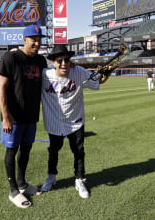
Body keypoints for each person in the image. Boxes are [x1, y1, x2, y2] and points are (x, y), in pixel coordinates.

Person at [40, 44, 109, 199]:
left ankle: (79, 179)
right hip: (54, 122)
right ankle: (51, 177)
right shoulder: (44, 75)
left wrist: (105, 75)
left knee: (78, 152)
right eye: (60, 60)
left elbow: (96, 84)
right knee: (53, 151)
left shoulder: (79, 72)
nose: (64, 63)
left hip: (75, 121)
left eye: (66, 60)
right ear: (53, 62)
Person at [0, 25, 47, 208]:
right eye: (33, 38)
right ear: (24, 39)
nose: (37, 42)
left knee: (26, 150)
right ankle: (13, 191)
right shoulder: (11, 58)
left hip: (31, 116)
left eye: (39, 38)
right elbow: (1, 88)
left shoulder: (41, 61)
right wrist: (6, 117)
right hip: (14, 117)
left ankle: (22, 183)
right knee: (12, 151)